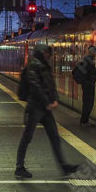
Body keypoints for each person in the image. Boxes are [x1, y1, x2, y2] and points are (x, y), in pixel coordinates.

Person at [15, 45, 79, 178]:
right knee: (27, 136)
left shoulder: (44, 65)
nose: (49, 55)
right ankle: (19, 167)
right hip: (35, 107)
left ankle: (63, 166)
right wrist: (47, 102)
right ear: (40, 52)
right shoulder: (33, 65)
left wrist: (54, 99)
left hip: (44, 108)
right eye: (46, 53)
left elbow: (50, 85)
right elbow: (35, 85)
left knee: (54, 136)